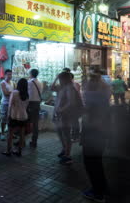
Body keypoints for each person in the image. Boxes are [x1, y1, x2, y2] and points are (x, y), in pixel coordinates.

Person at [81, 73, 111, 202]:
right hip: (99, 138)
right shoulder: (103, 98)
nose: (85, 86)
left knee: (92, 165)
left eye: (88, 83)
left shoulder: (93, 100)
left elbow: (93, 122)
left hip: (93, 138)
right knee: (97, 164)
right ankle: (102, 189)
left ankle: (98, 193)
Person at [52, 72, 82, 165]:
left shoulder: (70, 88)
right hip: (60, 114)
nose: (60, 80)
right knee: (60, 132)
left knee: (66, 134)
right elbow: (51, 88)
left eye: (61, 78)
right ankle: (64, 149)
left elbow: (71, 102)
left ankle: (68, 156)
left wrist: (61, 110)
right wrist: (56, 78)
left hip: (66, 115)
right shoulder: (62, 87)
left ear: (65, 79)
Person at [2, 78, 29, 157]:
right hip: (23, 116)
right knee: (21, 134)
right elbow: (26, 106)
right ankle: (19, 150)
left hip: (14, 116)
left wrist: (8, 115)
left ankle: (8, 150)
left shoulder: (14, 93)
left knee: (10, 134)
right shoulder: (27, 95)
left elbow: (10, 105)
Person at [27, 69, 42, 148]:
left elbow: (26, 93)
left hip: (30, 104)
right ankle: (34, 141)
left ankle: (22, 140)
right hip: (37, 104)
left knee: (26, 122)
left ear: (31, 74)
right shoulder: (40, 83)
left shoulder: (29, 83)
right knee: (35, 123)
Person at [0, 69, 15, 141]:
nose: (9, 76)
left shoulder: (12, 83)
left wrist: (10, 92)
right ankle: (2, 133)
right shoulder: (3, 83)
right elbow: (6, 94)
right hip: (5, 103)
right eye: (8, 74)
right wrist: (13, 93)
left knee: (11, 119)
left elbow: (11, 93)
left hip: (12, 104)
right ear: (5, 75)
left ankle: (10, 133)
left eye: (10, 74)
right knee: (3, 119)